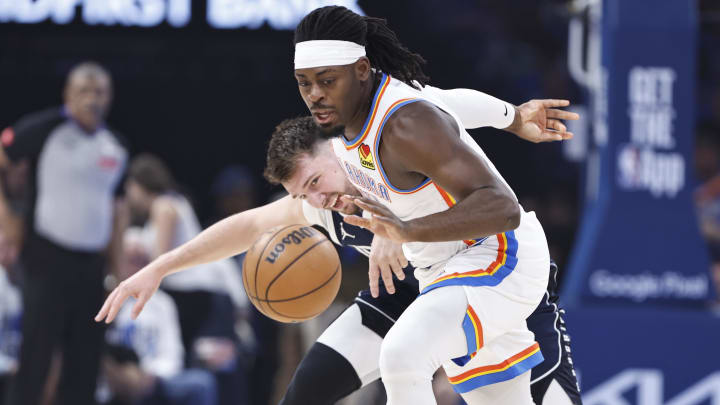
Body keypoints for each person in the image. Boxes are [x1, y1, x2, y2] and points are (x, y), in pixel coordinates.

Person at [96, 116, 581, 404]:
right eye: (301, 193)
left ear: (336, 148)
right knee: (304, 393)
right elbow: (246, 227)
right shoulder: (319, 203)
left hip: (497, 278)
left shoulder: (388, 143)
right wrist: (158, 268)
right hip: (407, 291)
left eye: (314, 182)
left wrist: (400, 223)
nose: (315, 198)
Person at [287, 6, 579, 404]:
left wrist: (407, 231)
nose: (315, 94)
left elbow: (503, 207)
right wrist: (512, 116)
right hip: (443, 270)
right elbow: (449, 99)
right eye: (304, 83)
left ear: (360, 69)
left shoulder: (405, 124)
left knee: (403, 356)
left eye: (326, 80)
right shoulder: (347, 116)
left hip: (497, 255)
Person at [0, 61, 128, 405]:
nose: (92, 99)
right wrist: (7, 218)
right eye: (83, 91)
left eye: (99, 91)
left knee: (85, 365)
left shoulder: (116, 146)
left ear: (110, 97)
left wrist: (120, 273)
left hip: (91, 267)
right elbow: (3, 154)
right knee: (35, 360)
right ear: (67, 95)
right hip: (45, 259)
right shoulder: (44, 128)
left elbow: (117, 212)